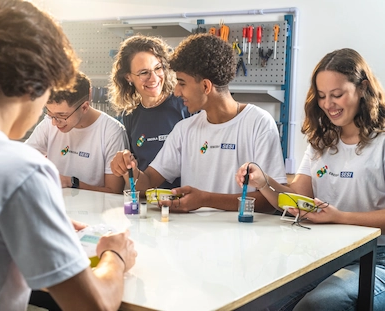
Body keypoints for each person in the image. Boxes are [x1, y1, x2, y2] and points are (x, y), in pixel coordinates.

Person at [0, 1, 136, 310]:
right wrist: (115, 255)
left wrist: (40, 217)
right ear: (34, 85)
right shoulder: (20, 169)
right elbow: (93, 305)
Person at [236, 48, 385, 310]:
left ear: (362, 89)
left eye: (337, 95)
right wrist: (263, 181)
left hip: (378, 257)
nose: (329, 104)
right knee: (266, 301)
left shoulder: (381, 142)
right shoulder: (321, 141)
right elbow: (296, 199)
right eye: (322, 96)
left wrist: (339, 217)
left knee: (320, 304)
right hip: (328, 252)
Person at [111, 33, 287, 213]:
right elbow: (146, 185)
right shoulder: (184, 129)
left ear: (205, 87)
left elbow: (272, 201)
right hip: (190, 236)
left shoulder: (259, 123)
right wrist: (129, 169)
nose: (177, 92)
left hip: (242, 238)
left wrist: (206, 200)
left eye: (182, 83)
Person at [108, 35, 190, 189]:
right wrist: (124, 165)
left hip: (184, 203)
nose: (153, 79)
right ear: (128, 77)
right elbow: (134, 171)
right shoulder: (129, 115)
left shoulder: (185, 106)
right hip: (148, 202)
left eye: (158, 68)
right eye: (144, 72)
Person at [26, 71, 128, 194]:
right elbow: (22, 158)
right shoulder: (49, 123)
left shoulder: (112, 132)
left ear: (84, 107)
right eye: (49, 113)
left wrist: (71, 182)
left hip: (95, 211)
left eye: (62, 116)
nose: (54, 122)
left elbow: (113, 192)